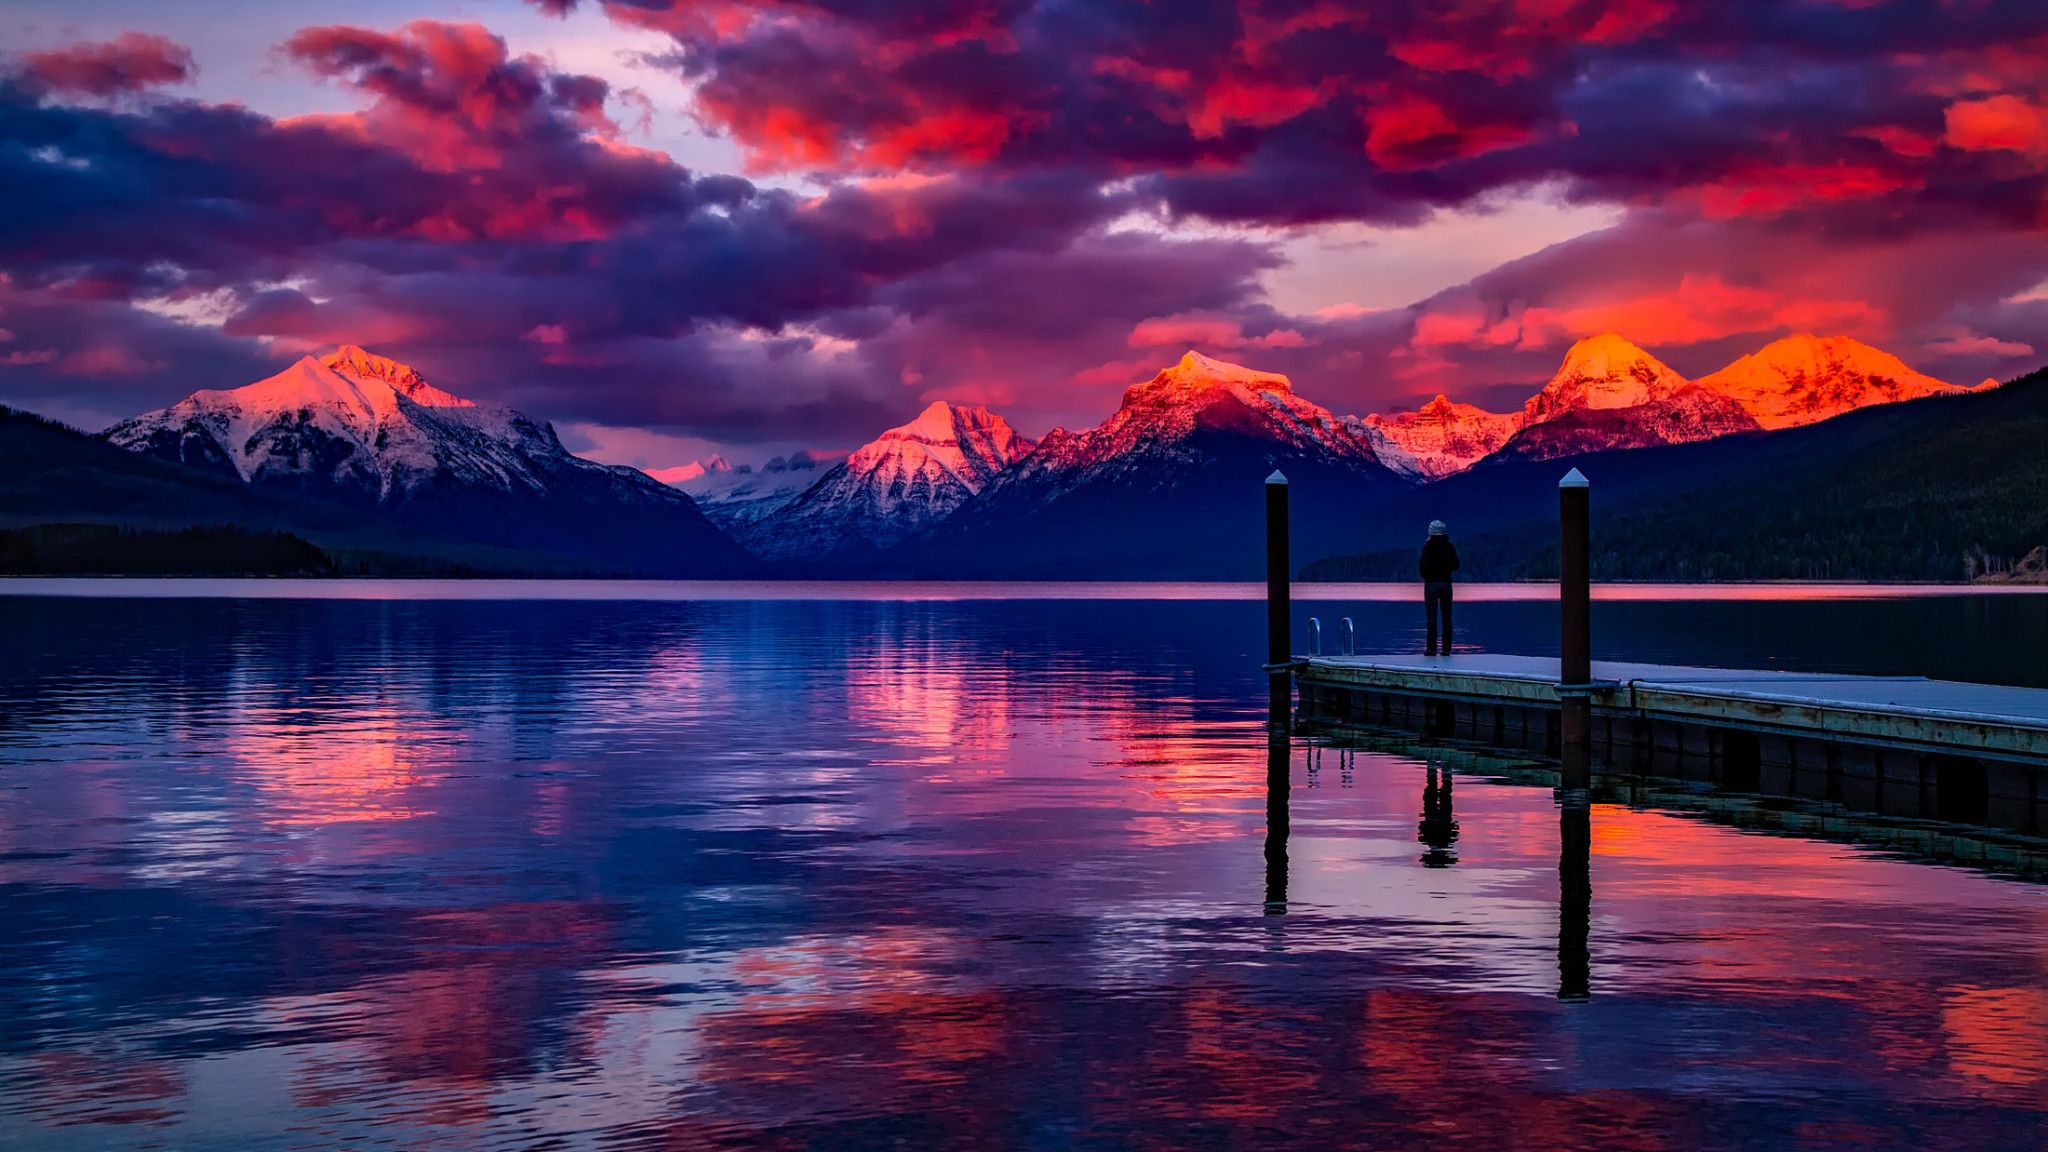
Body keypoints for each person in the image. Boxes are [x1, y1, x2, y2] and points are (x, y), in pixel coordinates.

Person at [1419, 519, 1459, 655]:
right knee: (1447, 617)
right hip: (1446, 584)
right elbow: (1456, 565)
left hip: (1431, 585)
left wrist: (1428, 575)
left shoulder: (1427, 546)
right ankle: (1446, 649)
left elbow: (1422, 568)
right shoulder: (1450, 546)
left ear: (1431, 532)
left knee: (1432, 618)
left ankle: (1431, 648)